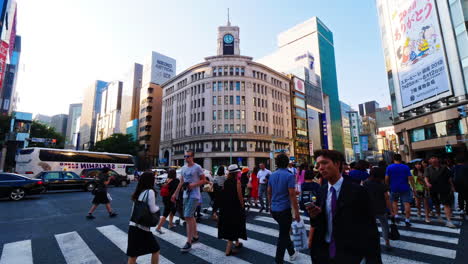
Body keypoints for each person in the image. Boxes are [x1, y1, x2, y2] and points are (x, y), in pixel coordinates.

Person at [307, 149, 381, 264]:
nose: (320, 168)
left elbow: (370, 228)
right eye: (318, 165)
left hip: (349, 253)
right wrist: (315, 216)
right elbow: (321, 223)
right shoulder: (321, 191)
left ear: (337, 164)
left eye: (325, 163)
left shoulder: (358, 191)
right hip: (324, 252)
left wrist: (373, 259)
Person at [267, 153, 300, 264]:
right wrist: (297, 212)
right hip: (284, 209)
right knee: (283, 234)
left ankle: (291, 253)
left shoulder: (272, 175)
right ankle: (278, 260)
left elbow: (269, 192)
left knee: (284, 231)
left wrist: (270, 206)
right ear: (287, 163)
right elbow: (292, 195)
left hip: (275, 209)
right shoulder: (289, 175)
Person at [171, 150, 206, 252]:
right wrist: (175, 193)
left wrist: (193, 185)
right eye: (185, 156)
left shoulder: (197, 167)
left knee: (187, 216)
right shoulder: (183, 168)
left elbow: (204, 180)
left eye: (188, 156)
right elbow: (181, 182)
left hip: (194, 195)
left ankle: (189, 242)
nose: (186, 158)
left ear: (192, 157)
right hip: (186, 194)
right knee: (191, 216)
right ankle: (195, 236)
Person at [127, 172, 160, 264]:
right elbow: (153, 209)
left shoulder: (139, 191)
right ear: (150, 180)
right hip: (142, 228)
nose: (155, 180)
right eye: (154, 178)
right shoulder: (150, 191)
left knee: (133, 256)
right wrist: (158, 209)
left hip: (133, 226)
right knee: (155, 249)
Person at [217, 164, 247, 256]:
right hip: (235, 207)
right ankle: (228, 250)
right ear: (236, 173)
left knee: (233, 224)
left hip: (226, 207)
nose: (239, 173)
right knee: (234, 225)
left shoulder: (226, 182)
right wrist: (242, 206)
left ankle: (237, 243)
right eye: (238, 172)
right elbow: (240, 196)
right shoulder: (237, 182)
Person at [364, 166, 394, 251]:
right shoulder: (382, 185)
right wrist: (391, 210)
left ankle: (371, 243)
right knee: (385, 225)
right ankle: (387, 243)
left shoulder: (365, 183)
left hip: (369, 209)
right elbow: (387, 198)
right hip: (381, 208)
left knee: (370, 226)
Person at [424, 155, 456, 228]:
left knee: (446, 204)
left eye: (435, 158)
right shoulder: (428, 169)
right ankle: (439, 215)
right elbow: (426, 177)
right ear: (429, 161)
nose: (433, 160)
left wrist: (452, 187)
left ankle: (449, 221)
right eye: (431, 158)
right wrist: (427, 183)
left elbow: (449, 178)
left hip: (444, 188)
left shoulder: (444, 168)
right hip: (433, 188)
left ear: (438, 159)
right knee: (436, 203)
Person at [385, 154, 413, 227]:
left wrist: (387, 186)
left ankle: (396, 216)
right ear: (400, 159)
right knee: (406, 203)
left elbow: (387, 178)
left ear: (393, 159)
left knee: (394, 202)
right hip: (405, 187)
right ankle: (407, 220)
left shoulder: (389, 167)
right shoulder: (406, 167)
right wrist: (414, 187)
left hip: (394, 187)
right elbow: (410, 177)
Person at [155, 169, 180, 233]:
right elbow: (176, 190)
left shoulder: (167, 180)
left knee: (173, 210)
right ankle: (158, 227)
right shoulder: (176, 181)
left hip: (165, 198)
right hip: (171, 198)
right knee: (166, 212)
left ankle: (170, 224)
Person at [453, 154, 468, 221]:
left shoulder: (454, 167)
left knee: (460, 198)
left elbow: (451, 177)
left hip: (458, 186)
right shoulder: (466, 167)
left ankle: (462, 211)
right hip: (467, 186)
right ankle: (467, 213)